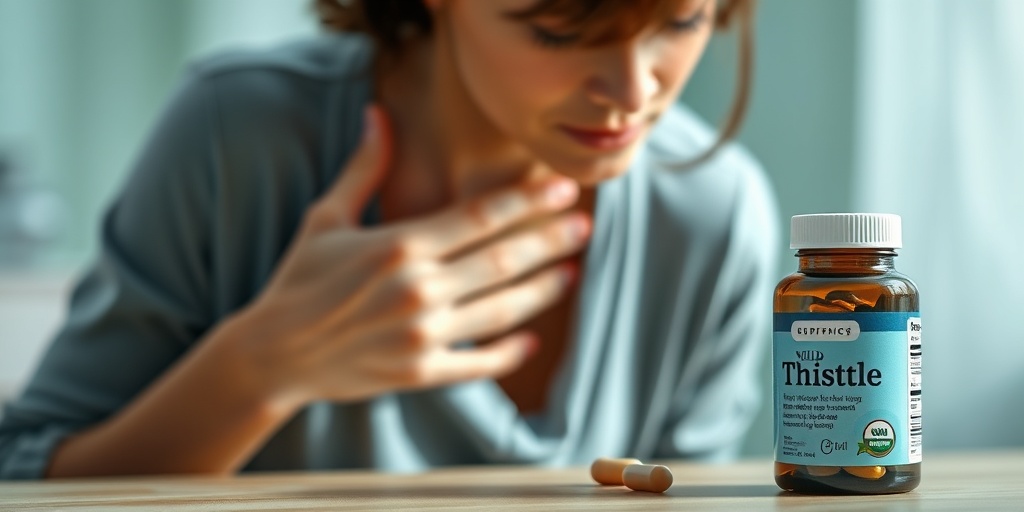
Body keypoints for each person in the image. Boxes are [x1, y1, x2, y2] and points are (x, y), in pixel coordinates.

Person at [0, 0, 778, 478]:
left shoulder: (715, 213)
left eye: (682, 19)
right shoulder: (238, 136)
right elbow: (25, 481)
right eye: (557, 27)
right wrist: (261, 369)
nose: (633, 91)